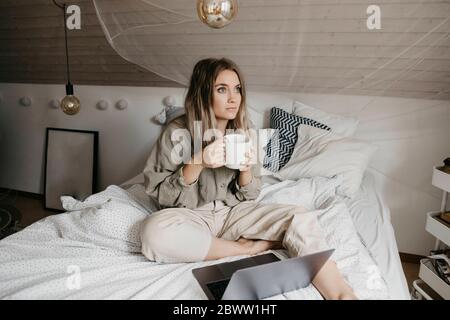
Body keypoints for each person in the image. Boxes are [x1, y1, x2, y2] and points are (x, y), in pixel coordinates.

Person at [140, 57, 357, 300]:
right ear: (202, 93)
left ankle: (342, 295)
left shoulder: (244, 130)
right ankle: (244, 248)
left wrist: (245, 169)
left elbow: (250, 194)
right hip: (191, 215)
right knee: (153, 232)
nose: (234, 98)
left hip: (234, 213)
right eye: (222, 89)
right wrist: (198, 161)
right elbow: (160, 195)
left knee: (298, 216)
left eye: (237, 89)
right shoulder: (176, 131)